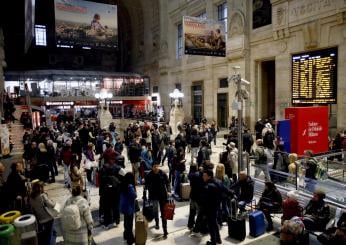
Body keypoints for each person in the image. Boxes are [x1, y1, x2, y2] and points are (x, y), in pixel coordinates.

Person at [144, 162, 171, 238]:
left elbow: (168, 182)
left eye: (157, 166)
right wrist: (146, 190)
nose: (156, 168)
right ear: (152, 167)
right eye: (154, 166)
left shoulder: (162, 173)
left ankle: (165, 230)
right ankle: (157, 222)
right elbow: (146, 185)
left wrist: (168, 190)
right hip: (154, 196)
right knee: (155, 210)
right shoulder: (149, 175)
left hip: (163, 196)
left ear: (159, 167)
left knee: (164, 213)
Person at [30, 181, 56, 245]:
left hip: (40, 219)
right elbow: (51, 205)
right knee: (51, 234)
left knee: (47, 234)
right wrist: (51, 199)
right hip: (48, 218)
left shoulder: (31, 198)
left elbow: (32, 209)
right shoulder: (42, 196)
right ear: (41, 188)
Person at [201, 169, 222, 245]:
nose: (203, 177)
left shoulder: (207, 186)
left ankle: (213, 242)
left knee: (211, 226)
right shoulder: (217, 182)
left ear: (209, 176)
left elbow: (204, 200)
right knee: (215, 223)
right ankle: (218, 239)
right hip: (216, 207)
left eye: (204, 175)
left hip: (210, 208)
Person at [120, 172, 137, 245]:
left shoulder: (123, 184)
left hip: (124, 206)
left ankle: (126, 235)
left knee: (126, 222)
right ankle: (130, 239)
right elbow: (134, 195)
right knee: (129, 224)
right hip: (129, 207)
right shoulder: (130, 186)